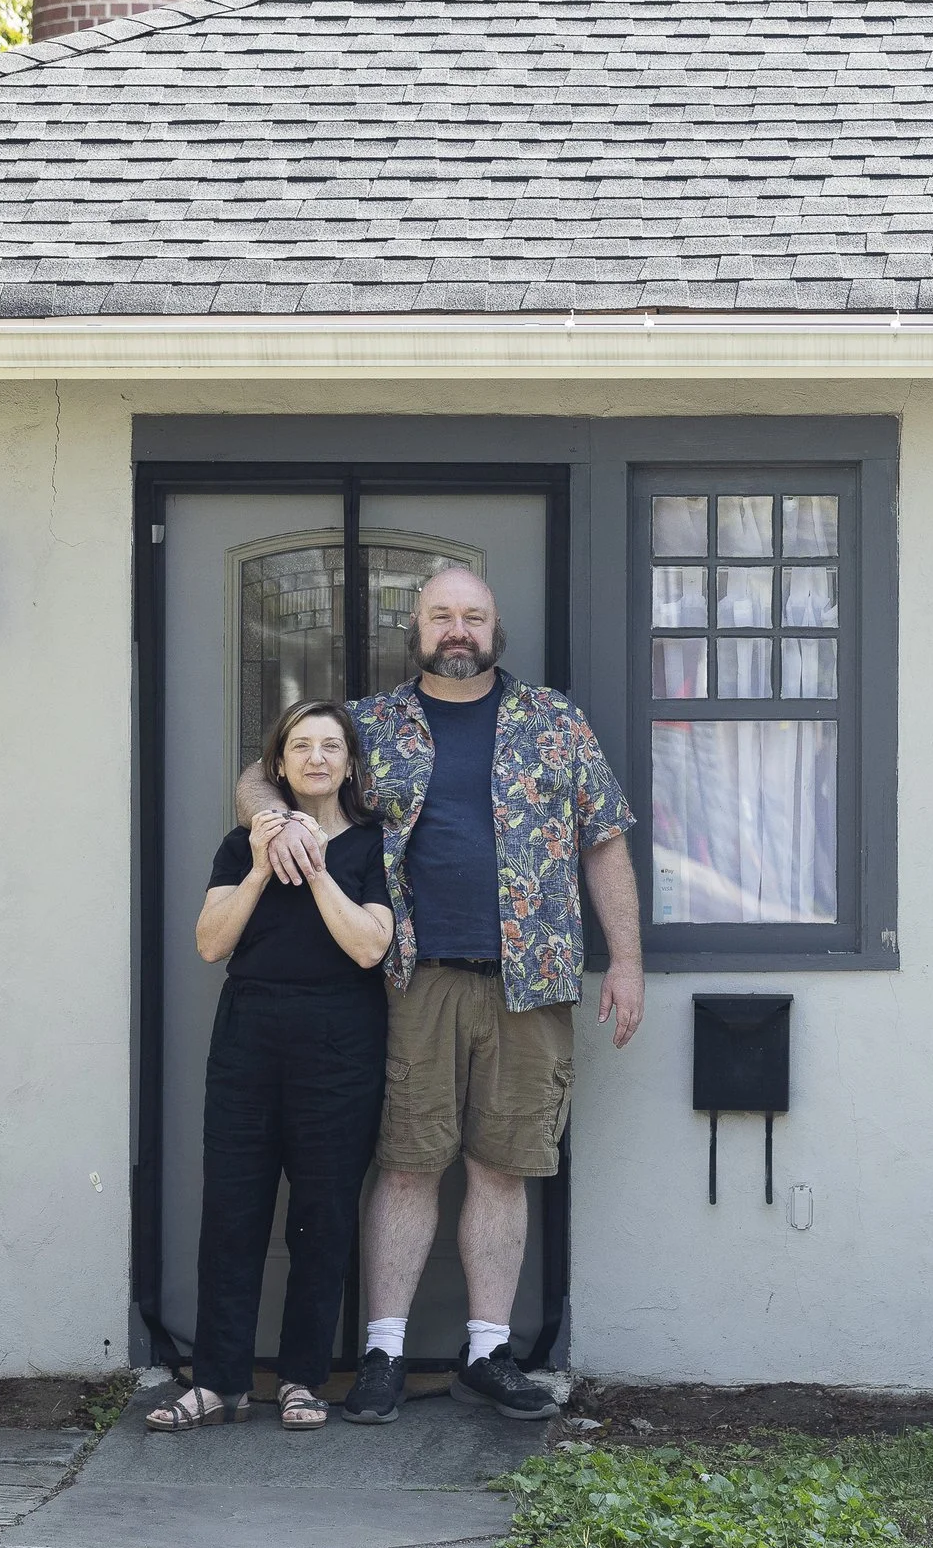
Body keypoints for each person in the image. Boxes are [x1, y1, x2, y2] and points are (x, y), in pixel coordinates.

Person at [235, 566, 642, 1424]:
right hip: (408, 980)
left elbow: (603, 839)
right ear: (415, 630)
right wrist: (269, 819)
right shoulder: (371, 726)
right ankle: (382, 1353)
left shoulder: (555, 722)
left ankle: (487, 1354)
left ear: (497, 629)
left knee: (502, 1168)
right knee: (410, 1164)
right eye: (442, 617)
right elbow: (267, 772)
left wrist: (628, 964)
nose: (458, 631)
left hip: (532, 983)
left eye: (474, 617)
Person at [147, 699, 395, 1435]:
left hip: (340, 1044)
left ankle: (301, 1380)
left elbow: (368, 947)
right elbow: (209, 943)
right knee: (233, 1209)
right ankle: (219, 1383)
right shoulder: (238, 844)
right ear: (279, 764)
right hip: (249, 1037)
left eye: (330, 746)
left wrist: (316, 868)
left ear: (349, 763)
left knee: (323, 1214)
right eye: (300, 746)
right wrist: (261, 866)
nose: (316, 758)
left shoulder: (374, 848)